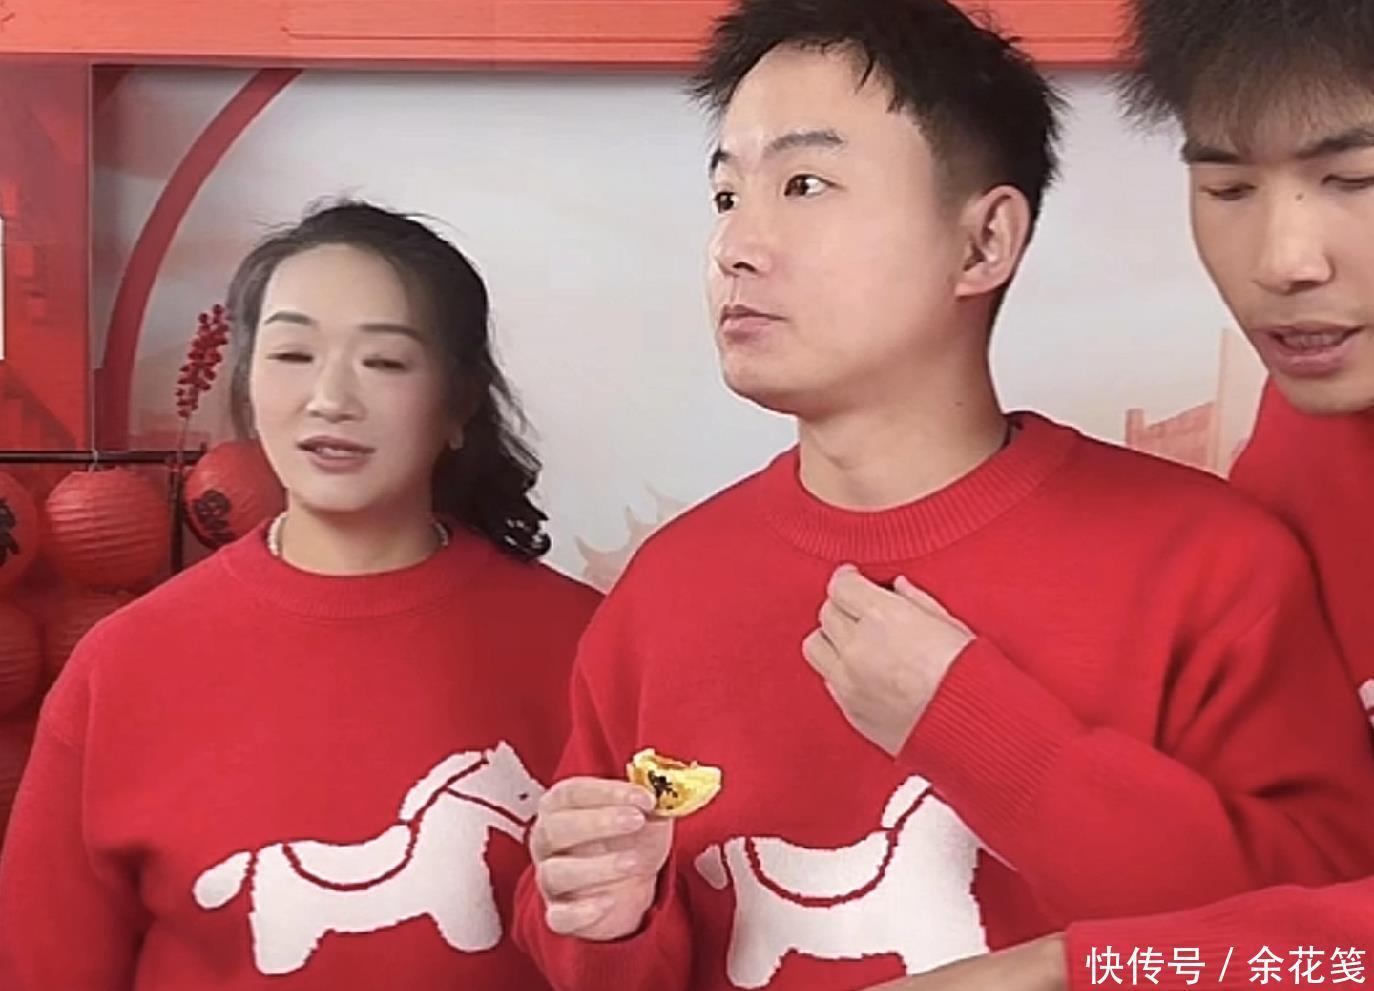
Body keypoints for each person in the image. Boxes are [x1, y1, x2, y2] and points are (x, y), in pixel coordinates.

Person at [510, 2, 1374, 990]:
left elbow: (1308, 941)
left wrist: (980, 731)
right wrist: (597, 918)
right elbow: (595, 953)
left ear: (983, 242)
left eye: (804, 184)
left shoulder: (1209, 562)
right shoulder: (665, 591)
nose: (736, 245)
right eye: (724, 195)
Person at [877, 1, 1374, 988]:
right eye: (1228, 187)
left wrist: (1076, 964)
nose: (1285, 260)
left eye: (1356, 179)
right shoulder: (1298, 444)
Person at [0, 200, 599, 989]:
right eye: (291, 354)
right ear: (248, 384)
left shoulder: (586, 644)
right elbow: (45, 963)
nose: (330, 397)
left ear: (458, 405)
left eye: (384, 362)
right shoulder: (124, 662)